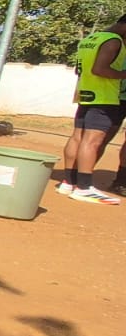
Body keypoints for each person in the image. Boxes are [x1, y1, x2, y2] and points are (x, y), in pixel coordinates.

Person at [56, 14, 126, 203]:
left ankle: (68, 182)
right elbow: (99, 69)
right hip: (105, 97)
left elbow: (79, 70)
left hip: (87, 94)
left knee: (77, 137)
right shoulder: (113, 42)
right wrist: (123, 74)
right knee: (92, 141)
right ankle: (84, 187)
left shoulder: (92, 39)